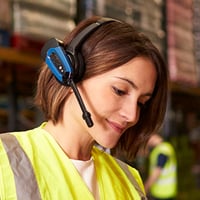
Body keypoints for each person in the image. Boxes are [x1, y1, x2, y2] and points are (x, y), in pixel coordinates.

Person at [0, 15, 168, 200]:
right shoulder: (4, 157)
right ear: (70, 74)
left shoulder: (129, 182)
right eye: (119, 91)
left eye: (141, 103)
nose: (132, 115)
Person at [144, 133, 177, 200]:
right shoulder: (165, 147)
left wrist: (144, 189)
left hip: (163, 193)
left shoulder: (162, 150)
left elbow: (157, 171)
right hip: (165, 191)